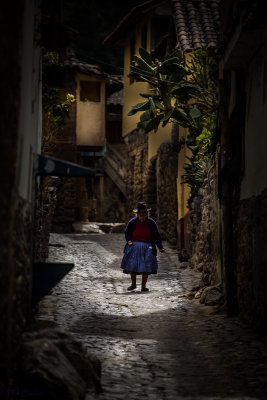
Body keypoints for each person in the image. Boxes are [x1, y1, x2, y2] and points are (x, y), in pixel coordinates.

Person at [121, 202, 165, 292]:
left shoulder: (151, 223)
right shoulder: (132, 222)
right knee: (132, 265)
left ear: (147, 214)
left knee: (146, 266)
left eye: (144, 215)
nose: (142, 217)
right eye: (140, 215)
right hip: (134, 247)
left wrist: (160, 246)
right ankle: (133, 285)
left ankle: (143, 286)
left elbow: (157, 236)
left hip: (148, 247)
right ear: (137, 215)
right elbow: (127, 232)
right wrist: (129, 240)